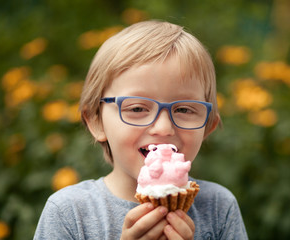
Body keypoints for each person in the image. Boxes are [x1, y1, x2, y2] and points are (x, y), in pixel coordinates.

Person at [34, 20, 248, 239]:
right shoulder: (69, 213)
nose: (164, 128)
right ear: (97, 122)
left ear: (207, 128)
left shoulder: (219, 208)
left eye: (184, 109)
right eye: (137, 108)